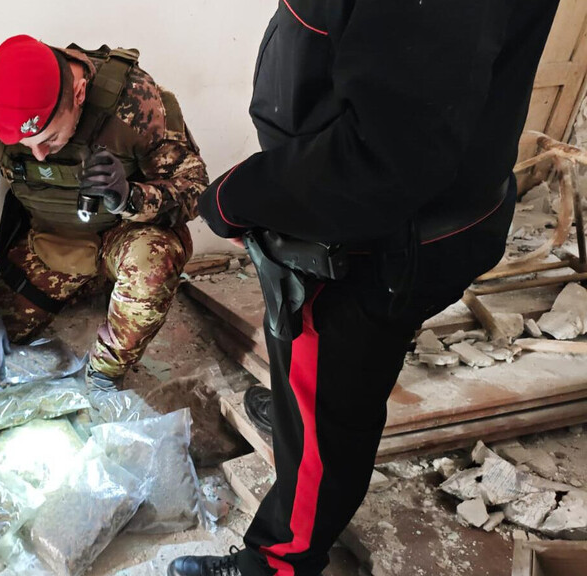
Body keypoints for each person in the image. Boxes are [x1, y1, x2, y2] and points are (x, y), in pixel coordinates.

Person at [170, 1, 560, 575]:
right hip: (408, 215)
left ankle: (279, 560)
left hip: (372, 244)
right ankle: (307, 421)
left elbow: (385, 157)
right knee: (334, 381)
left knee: (330, 405)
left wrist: (234, 198)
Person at [0, 35, 207, 389]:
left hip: (123, 236)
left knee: (154, 263)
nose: (39, 154)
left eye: (49, 139)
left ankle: (104, 374)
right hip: (50, 241)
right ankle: (84, 288)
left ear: (79, 94)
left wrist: (130, 196)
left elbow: (196, 190)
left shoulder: (136, 102)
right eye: (25, 145)